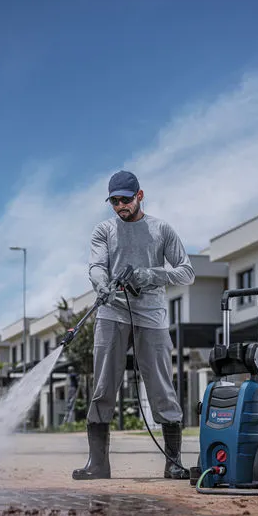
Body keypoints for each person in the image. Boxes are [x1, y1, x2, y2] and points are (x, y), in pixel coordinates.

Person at [72, 170, 195, 480]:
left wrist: (151, 275)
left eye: (125, 199)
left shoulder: (161, 230)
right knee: (102, 387)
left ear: (140, 196)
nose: (120, 206)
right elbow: (97, 266)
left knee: (161, 387)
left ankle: (173, 462)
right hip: (111, 314)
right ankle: (98, 464)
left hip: (152, 316)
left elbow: (187, 272)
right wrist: (101, 284)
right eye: (114, 201)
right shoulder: (104, 230)